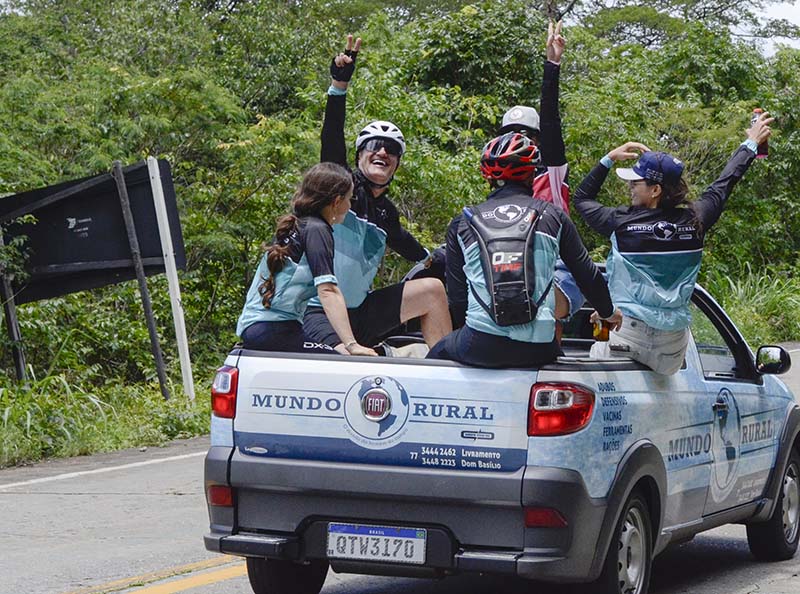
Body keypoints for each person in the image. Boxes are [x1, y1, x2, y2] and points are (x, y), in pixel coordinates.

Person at [572, 111, 774, 374]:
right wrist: (750, 144)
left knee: (600, 371)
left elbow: (582, 198)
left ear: (655, 190)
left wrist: (608, 159)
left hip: (627, 332)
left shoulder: (619, 222)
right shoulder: (697, 219)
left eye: (635, 182)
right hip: (672, 344)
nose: (630, 186)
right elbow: (725, 182)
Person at [302, 35, 452, 354]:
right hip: (320, 310)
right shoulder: (341, 187)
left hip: (362, 312)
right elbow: (331, 139)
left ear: (397, 163)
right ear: (359, 155)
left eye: (391, 149)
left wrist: (432, 258)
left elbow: (403, 241)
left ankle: (446, 369)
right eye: (374, 145)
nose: (382, 151)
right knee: (347, 361)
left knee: (432, 290)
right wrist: (338, 86)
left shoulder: (387, 213)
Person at [427, 131, 623, 368]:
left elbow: (459, 299)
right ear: (533, 174)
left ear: (487, 177)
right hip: (540, 349)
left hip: (480, 346)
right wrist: (608, 312)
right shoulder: (553, 215)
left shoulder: (464, 222)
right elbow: (587, 275)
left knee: (435, 356)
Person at [448, 21, 582, 333]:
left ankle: (547, 355)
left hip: (555, 269)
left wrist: (552, 65)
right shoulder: (501, 185)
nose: (518, 138)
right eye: (510, 133)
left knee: (536, 299)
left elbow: (551, 122)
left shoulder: (550, 171)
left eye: (526, 134)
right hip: (507, 265)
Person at [236, 162, 377, 356]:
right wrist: (352, 344)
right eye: (350, 199)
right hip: (272, 328)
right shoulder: (317, 230)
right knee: (342, 362)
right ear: (337, 201)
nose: (350, 205)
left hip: (263, 327)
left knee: (334, 355)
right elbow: (327, 291)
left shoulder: (301, 225)